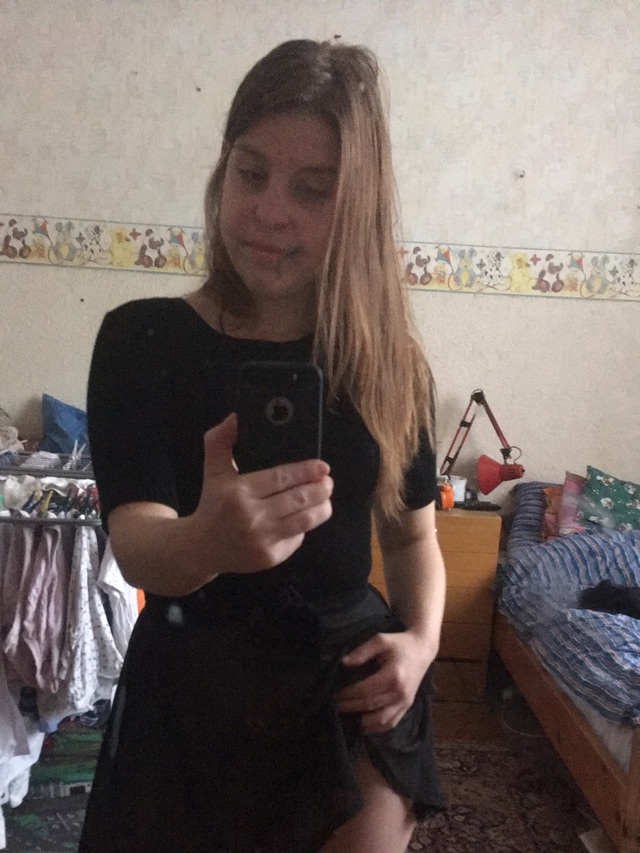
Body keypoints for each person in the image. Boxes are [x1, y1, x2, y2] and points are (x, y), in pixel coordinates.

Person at [79, 38, 446, 853]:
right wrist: (206, 542)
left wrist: (421, 644)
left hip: (348, 689)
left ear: (357, 206)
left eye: (311, 189)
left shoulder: (389, 365)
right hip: (192, 687)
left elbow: (413, 537)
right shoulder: (142, 340)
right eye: (252, 173)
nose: (270, 211)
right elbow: (136, 542)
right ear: (223, 173)